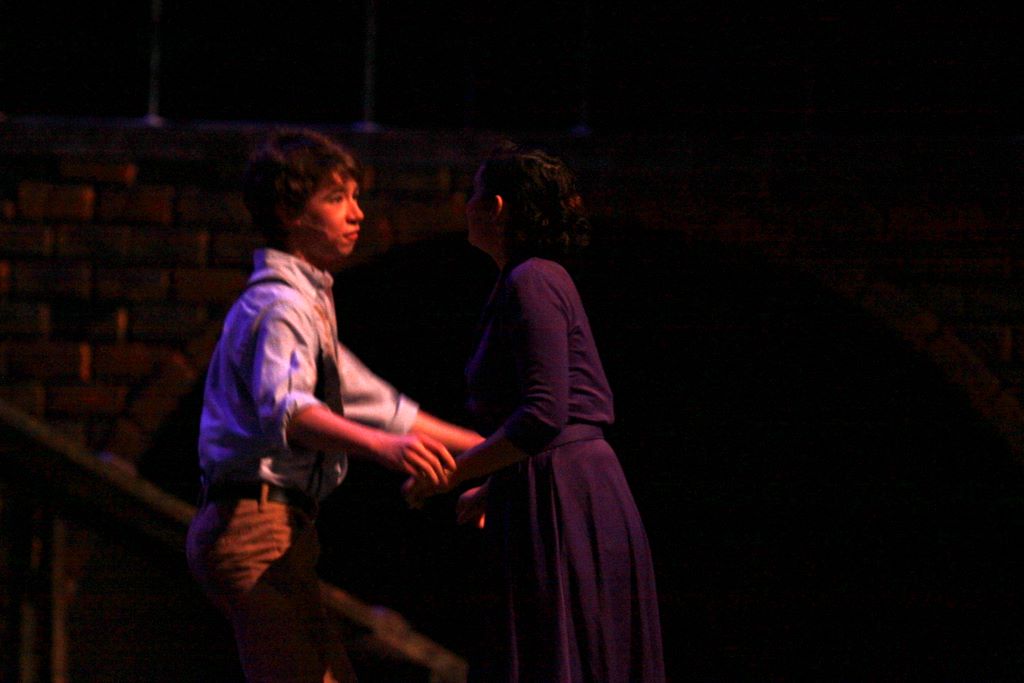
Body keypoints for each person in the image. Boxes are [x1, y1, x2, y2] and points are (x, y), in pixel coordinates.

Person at [186, 129, 483, 683]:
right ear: (289, 212)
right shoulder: (280, 306)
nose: (357, 213)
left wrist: (495, 450)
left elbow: (386, 408)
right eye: (336, 197)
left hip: (283, 527)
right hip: (252, 525)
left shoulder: (308, 306)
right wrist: (386, 449)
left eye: (355, 197)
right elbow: (292, 412)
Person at [406, 143, 666, 682]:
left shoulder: (534, 280)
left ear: (497, 206)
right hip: (551, 486)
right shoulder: (524, 280)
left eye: (475, 193)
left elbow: (544, 415)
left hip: (567, 494)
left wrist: (451, 475)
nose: (467, 205)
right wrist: (497, 488)